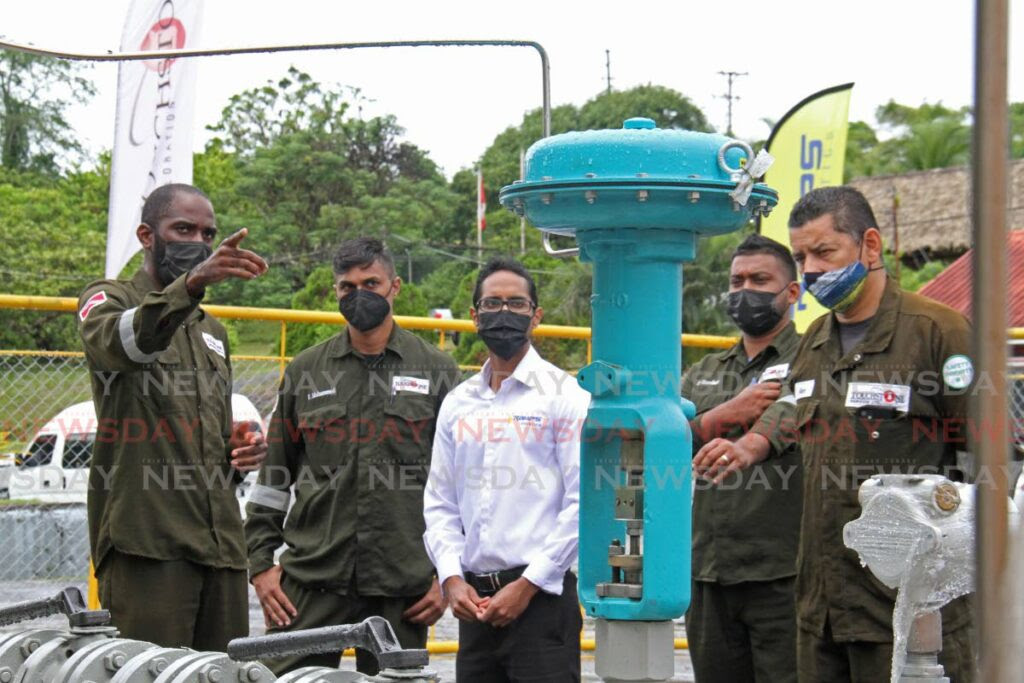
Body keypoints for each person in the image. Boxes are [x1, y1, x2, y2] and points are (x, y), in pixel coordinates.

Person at [694, 186, 975, 683]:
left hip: (908, 610)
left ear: (870, 245)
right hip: (822, 607)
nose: (813, 269)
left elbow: (988, 447)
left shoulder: (937, 332)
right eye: (802, 257)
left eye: (825, 252)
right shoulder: (816, 342)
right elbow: (794, 406)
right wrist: (748, 446)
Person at [245, 237, 461, 676]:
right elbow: (274, 478)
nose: (359, 294)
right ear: (336, 293)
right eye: (347, 286)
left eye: (371, 282)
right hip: (312, 578)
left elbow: (460, 485)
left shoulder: (437, 371)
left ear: (394, 287)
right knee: (286, 679)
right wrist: (260, 565)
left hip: (403, 585)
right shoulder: (307, 371)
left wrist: (448, 576)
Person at [78, 183, 269, 650]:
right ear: (147, 235)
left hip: (221, 546)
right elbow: (127, 344)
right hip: (148, 543)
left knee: (221, 675)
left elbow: (208, 432)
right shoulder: (108, 300)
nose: (198, 242)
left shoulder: (213, 332)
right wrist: (192, 284)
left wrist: (239, 447)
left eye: (207, 233)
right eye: (182, 229)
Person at [423, 258, 591, 683]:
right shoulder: (459, 402)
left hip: (541, 604)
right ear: (474, 316)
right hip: (474, 604)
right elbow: (440, 503)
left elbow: (583, 500)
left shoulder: (564, 395)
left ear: (536, 316)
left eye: (516, 304)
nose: (504, 313)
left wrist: (529, 585)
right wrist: (451, 578)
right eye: (492, 304)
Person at [681, 234, 803, 683]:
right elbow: (664, 441)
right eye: (736, 281)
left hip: (783, 576)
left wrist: (750, 440)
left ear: (791, 292)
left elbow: (796, 413)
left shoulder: (816, 356)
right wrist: (725, 415)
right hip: (709, 575)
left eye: (759, 279)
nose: (744, 290)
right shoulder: (706, 372)